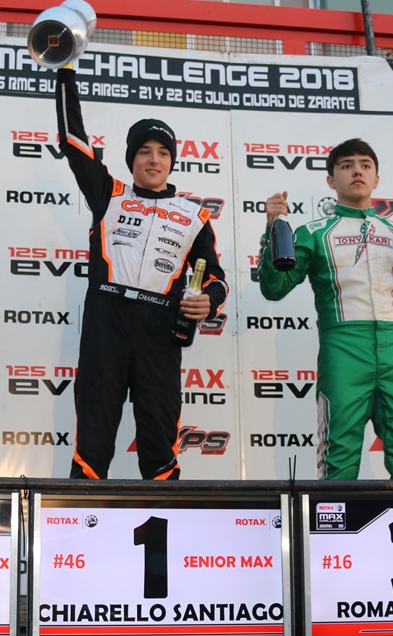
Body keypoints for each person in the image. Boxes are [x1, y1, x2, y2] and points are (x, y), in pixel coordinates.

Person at [55, 66, 228, 480]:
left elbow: (215, 277)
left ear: (172, 161)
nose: (154, 159)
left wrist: (209, 300)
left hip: (160, 326)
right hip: (106, 319)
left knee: (158, 438)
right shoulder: (108, 193)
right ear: (132, 159)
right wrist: (65, 72)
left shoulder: (194, 215)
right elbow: (72, 141)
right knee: (94, 436)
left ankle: (164, 510)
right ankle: (82, 513)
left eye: (163, 152)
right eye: (145, 151)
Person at [258, 138, 393, 480]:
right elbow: (274, 288)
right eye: (347, 165)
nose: (357, 171)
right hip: (343, 348)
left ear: (376, 179)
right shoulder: (313, 233)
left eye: (365, 165)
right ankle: (334, 518)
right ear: (331, 180)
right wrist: (272, 230)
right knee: (339, 455)